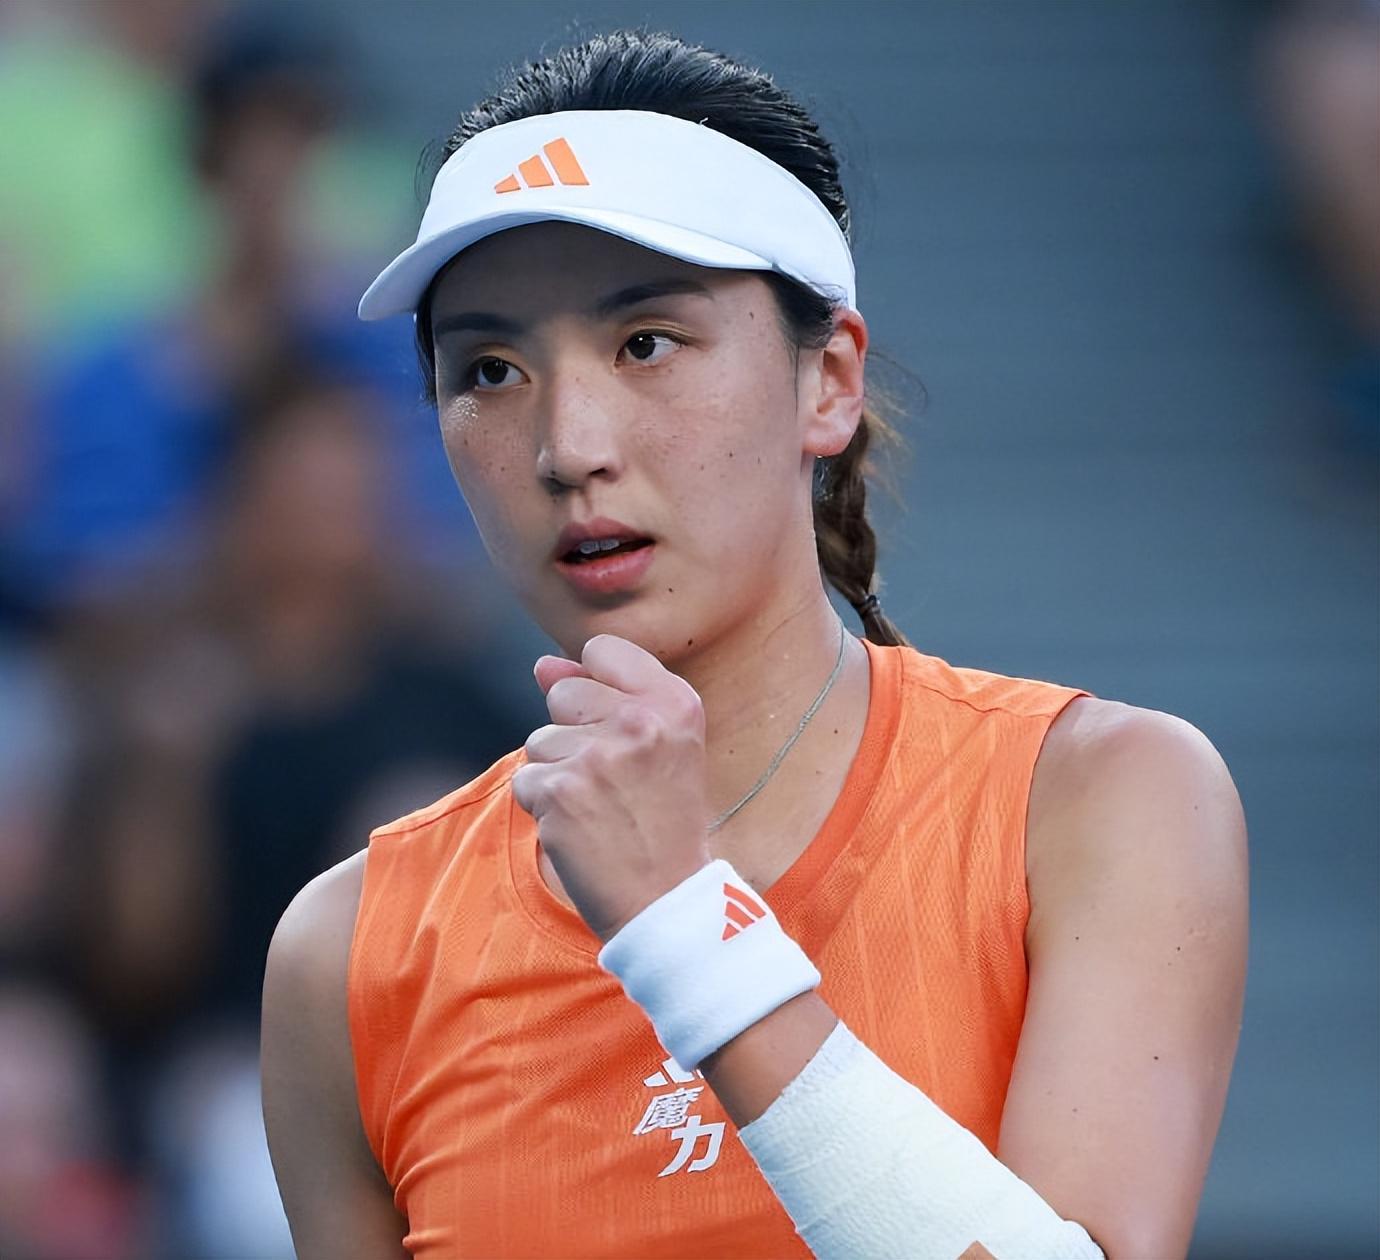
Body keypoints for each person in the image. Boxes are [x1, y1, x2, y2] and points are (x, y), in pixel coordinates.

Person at [261, 30, 1248, 1260]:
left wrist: (682, 924)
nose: (569, 446)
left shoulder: (1101, 798)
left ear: (828, 380)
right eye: (492, 369)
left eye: (646, 342)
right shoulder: (346, 953)